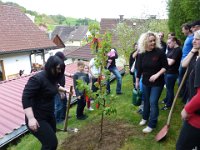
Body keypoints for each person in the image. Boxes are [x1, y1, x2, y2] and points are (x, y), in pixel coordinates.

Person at [22, 56, 70, 150]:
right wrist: (31, 118)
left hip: (49, 115)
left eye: (61, 69)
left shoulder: (52, 77)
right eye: (58, 69)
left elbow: (54, 86)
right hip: (37, 118)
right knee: (51, 144)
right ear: (50, 66)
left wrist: (64, 90)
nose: (60, 71)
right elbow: (26, 98)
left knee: (50, 142)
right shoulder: (37, 79)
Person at [136, 31, 168, 133]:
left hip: (157, 83)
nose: (153, 43)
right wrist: (137, 81)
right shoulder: (141, 53)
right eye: (150, 41)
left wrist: (157, 75)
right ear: (145, 42)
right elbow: (139, 68)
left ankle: (152, 124)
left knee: (153, 102)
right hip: (145, 82)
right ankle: (145, 118)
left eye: (154, 40)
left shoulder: (160, 52)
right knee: (146, 101)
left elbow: (165, 67)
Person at [176, 30, 200, 150]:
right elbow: (183, 65)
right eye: (193, 38)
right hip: (193, 99)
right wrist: (193, 51)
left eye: (197, 39)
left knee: (182, 146)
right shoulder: (196, 56)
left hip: (197, 109)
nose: (193, 41)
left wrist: (187, 109)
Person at [161, 37, 182, 110]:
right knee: (168, 87)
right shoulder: (172, 49)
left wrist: (167, 59)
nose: (168, 45)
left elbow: (170, 63)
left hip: (172, 73)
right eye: (167, 43)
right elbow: (167, 58)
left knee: (170, 89)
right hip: (168, 72)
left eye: (169, 43)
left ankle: (169, 104)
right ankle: (167, 99)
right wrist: (168, 59)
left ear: (174, 42)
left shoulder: (178, 50)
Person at [179, 23, 193, 103]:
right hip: (183, 60)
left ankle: (185, 97)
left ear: (188, 29)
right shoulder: (188, 37)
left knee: (185, 80)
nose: (182, 31)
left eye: (183, 29)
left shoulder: (192, 38)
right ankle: (183, 95)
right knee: (181, 80)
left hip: (187, 62)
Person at [54, 51, 68, 123]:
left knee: (64, 102)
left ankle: (63, 116)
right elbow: (55, 82)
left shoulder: (61, 65)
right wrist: (60, 92)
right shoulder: (54, 68)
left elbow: (62, 73)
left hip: (62, 86)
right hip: (56, 89)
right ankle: (58, 120)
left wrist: (69, 74)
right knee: (58, 104)